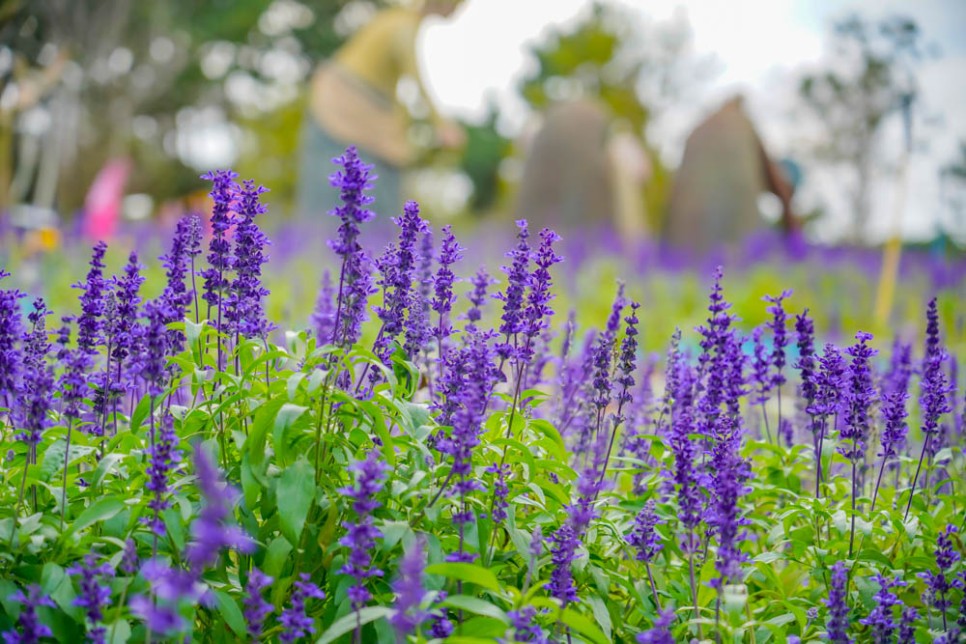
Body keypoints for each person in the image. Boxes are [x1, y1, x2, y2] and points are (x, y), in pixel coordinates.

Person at [296, 0, 465, 221]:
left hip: (357, 101)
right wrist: (441, 124)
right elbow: (416, 78)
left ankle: (347, 245)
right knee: (355, 181)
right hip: (348, 100)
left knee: (376, 172)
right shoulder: (402, 26)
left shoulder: (395, 19)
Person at [663, 95, 799, 253]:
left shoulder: (697, 131)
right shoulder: (743, 124)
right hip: (737, 219)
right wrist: (795, 239)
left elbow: (674, 188)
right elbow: (777, 182)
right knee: (739, 256)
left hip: (684, 233)